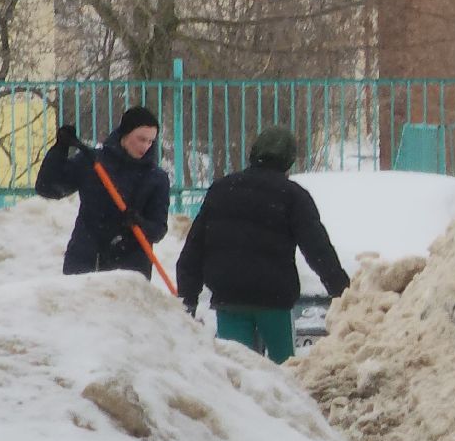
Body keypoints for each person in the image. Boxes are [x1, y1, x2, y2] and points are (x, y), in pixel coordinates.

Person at [176, 127, 350, 364]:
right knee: (284, 370)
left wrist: (187, 297)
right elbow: (317, 247)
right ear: (288, 159)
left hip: (230, 296)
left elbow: (194, 246)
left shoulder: (222, 189)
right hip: (274, 299)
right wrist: (341, 289)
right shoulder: (293, 196)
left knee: (239, 371)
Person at [35, 106, 171, 277]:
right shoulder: (92, 163)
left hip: (129, 271)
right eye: (141, 139)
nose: (145, 146)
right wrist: (60, 149)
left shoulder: (156, 178)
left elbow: (158, 229)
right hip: (84, 260)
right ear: (125, 134)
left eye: (150, 141)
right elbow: (47, 188)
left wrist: (139, 222)